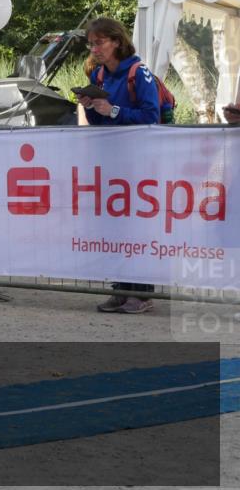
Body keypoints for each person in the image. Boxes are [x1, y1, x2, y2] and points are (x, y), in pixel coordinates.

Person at [79, 17, 159, 315]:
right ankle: (121, 289)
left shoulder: (139, 71)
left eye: (99, 42)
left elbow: (151, 115)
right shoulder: (100, 75)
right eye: (91, 43)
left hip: (139, 162)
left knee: (136, 227)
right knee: (114, 226)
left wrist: (113, 110)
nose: (94, 48)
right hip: (111, 160)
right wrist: (93, 108)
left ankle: (142, 292)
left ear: (116, 41)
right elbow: (98, 120)